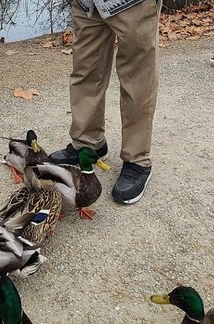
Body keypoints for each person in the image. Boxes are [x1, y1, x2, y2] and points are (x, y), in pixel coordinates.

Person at [49, 0, 162, 204]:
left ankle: (137, 158)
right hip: (87, 4)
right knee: (85, 72)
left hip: (133, 5)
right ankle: (88, 142)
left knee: (138, 81)